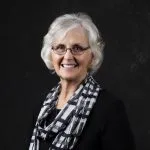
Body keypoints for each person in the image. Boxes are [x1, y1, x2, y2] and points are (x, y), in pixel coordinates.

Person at [29, 12, 135, 150]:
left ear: (92, 55)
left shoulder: (109, 109)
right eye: (60, 48)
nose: (67, 56)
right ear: (51, 54)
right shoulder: (42, 109)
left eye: (77, 48)